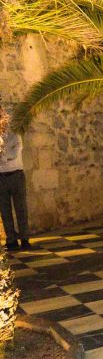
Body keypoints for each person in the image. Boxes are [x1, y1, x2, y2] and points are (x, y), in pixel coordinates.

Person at [0, 103, 30, 251]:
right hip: (1, 178)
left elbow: (14, 154)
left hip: (16, 175)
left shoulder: (14, 135)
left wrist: (3, 156)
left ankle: (25, 239)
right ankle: (11, 240)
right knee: (4, 210)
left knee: (21, 208)